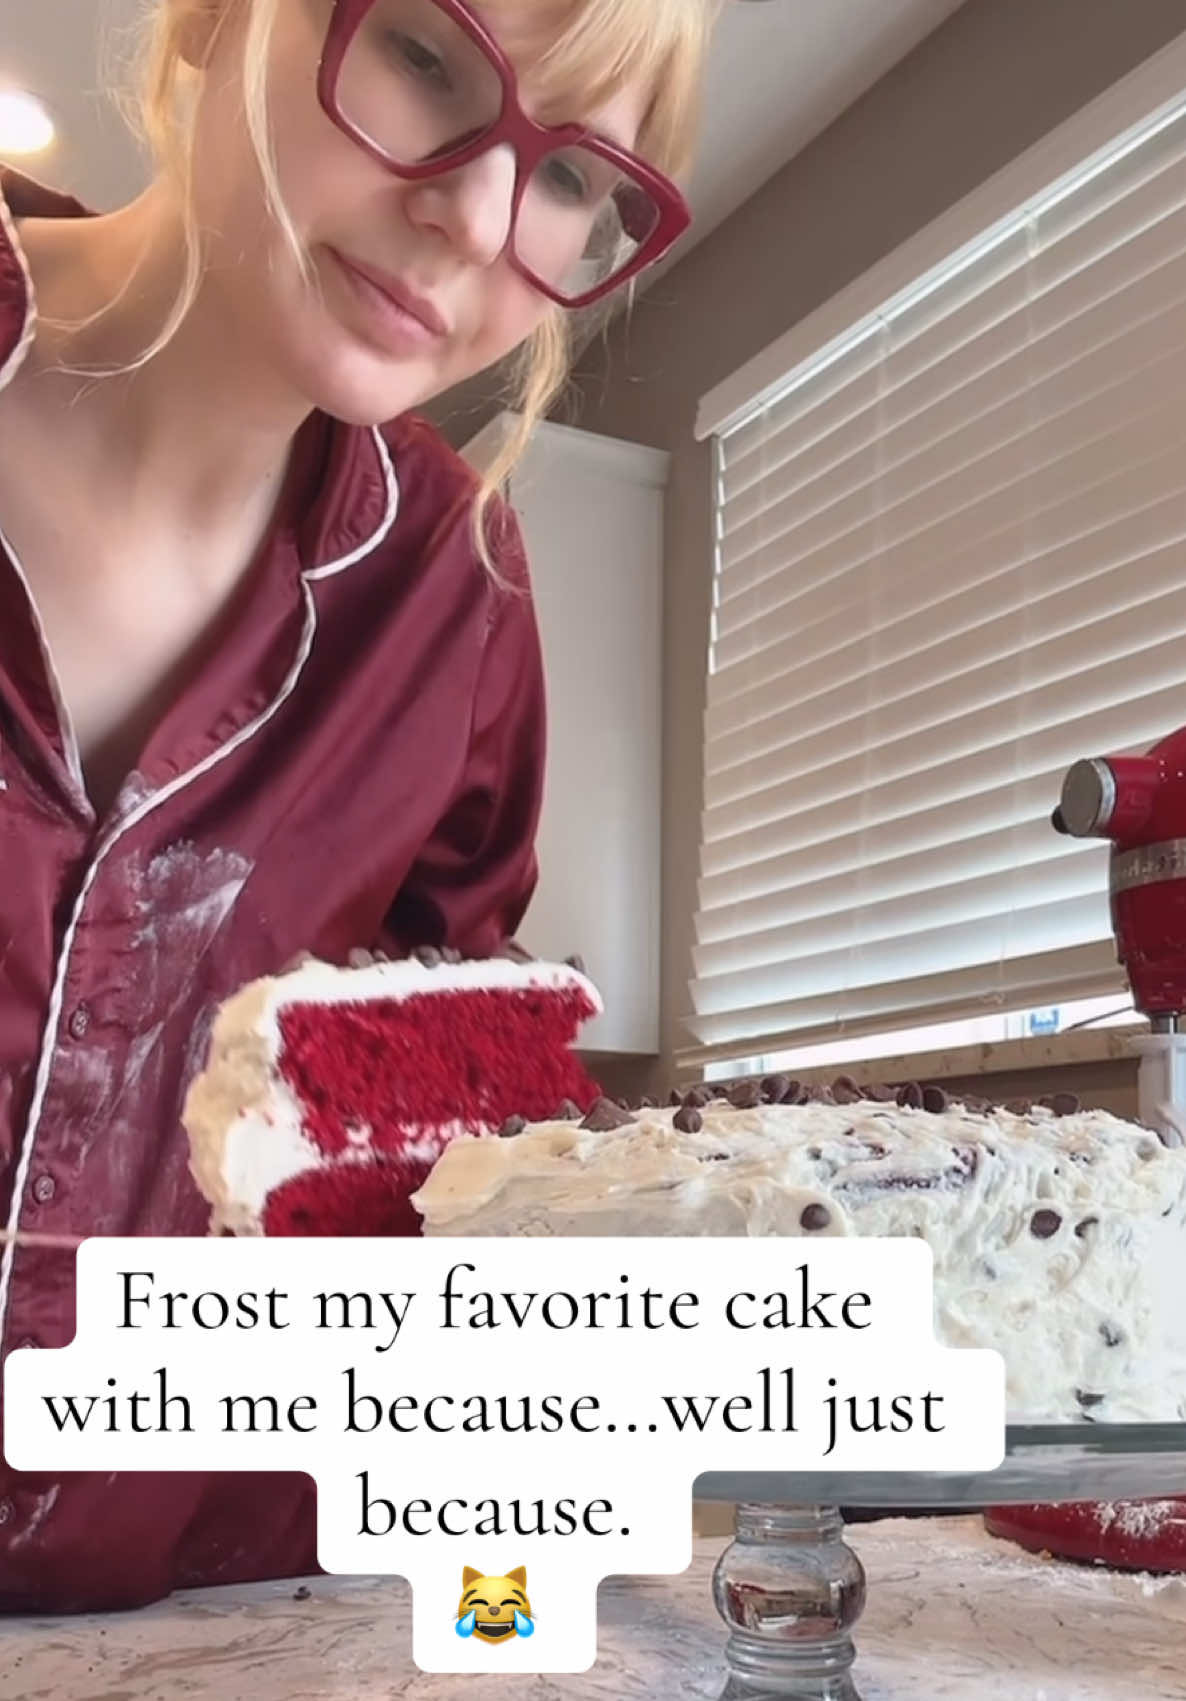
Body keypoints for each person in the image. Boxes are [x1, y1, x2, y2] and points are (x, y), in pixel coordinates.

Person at [0, 0, 713, 1612]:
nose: (473, 214)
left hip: (216, 1617)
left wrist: (506, 1608)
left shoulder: (454, 611)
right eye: (423, 55)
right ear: (211, 23)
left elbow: (441, 1199)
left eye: (572, 176)